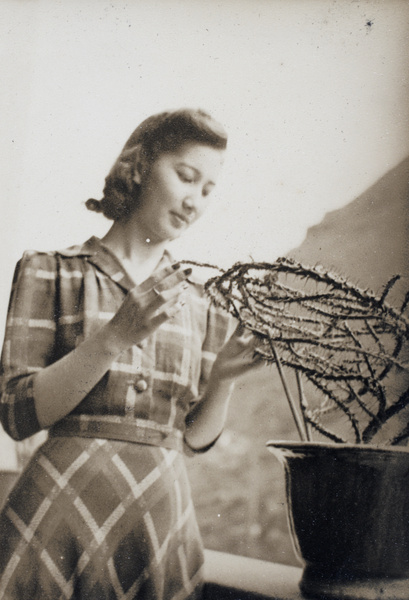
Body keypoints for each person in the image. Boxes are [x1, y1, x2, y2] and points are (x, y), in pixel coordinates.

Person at [0, 108, 261, 600]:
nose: (194, 201)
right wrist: (113, 338)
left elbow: (191, 441)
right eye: (186, 177)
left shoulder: (204, 305)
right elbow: (16, 415)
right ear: (139, 167)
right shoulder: (50, 272)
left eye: (208, 190)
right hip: (58, 514)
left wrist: (224, 379)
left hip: (159, 520)